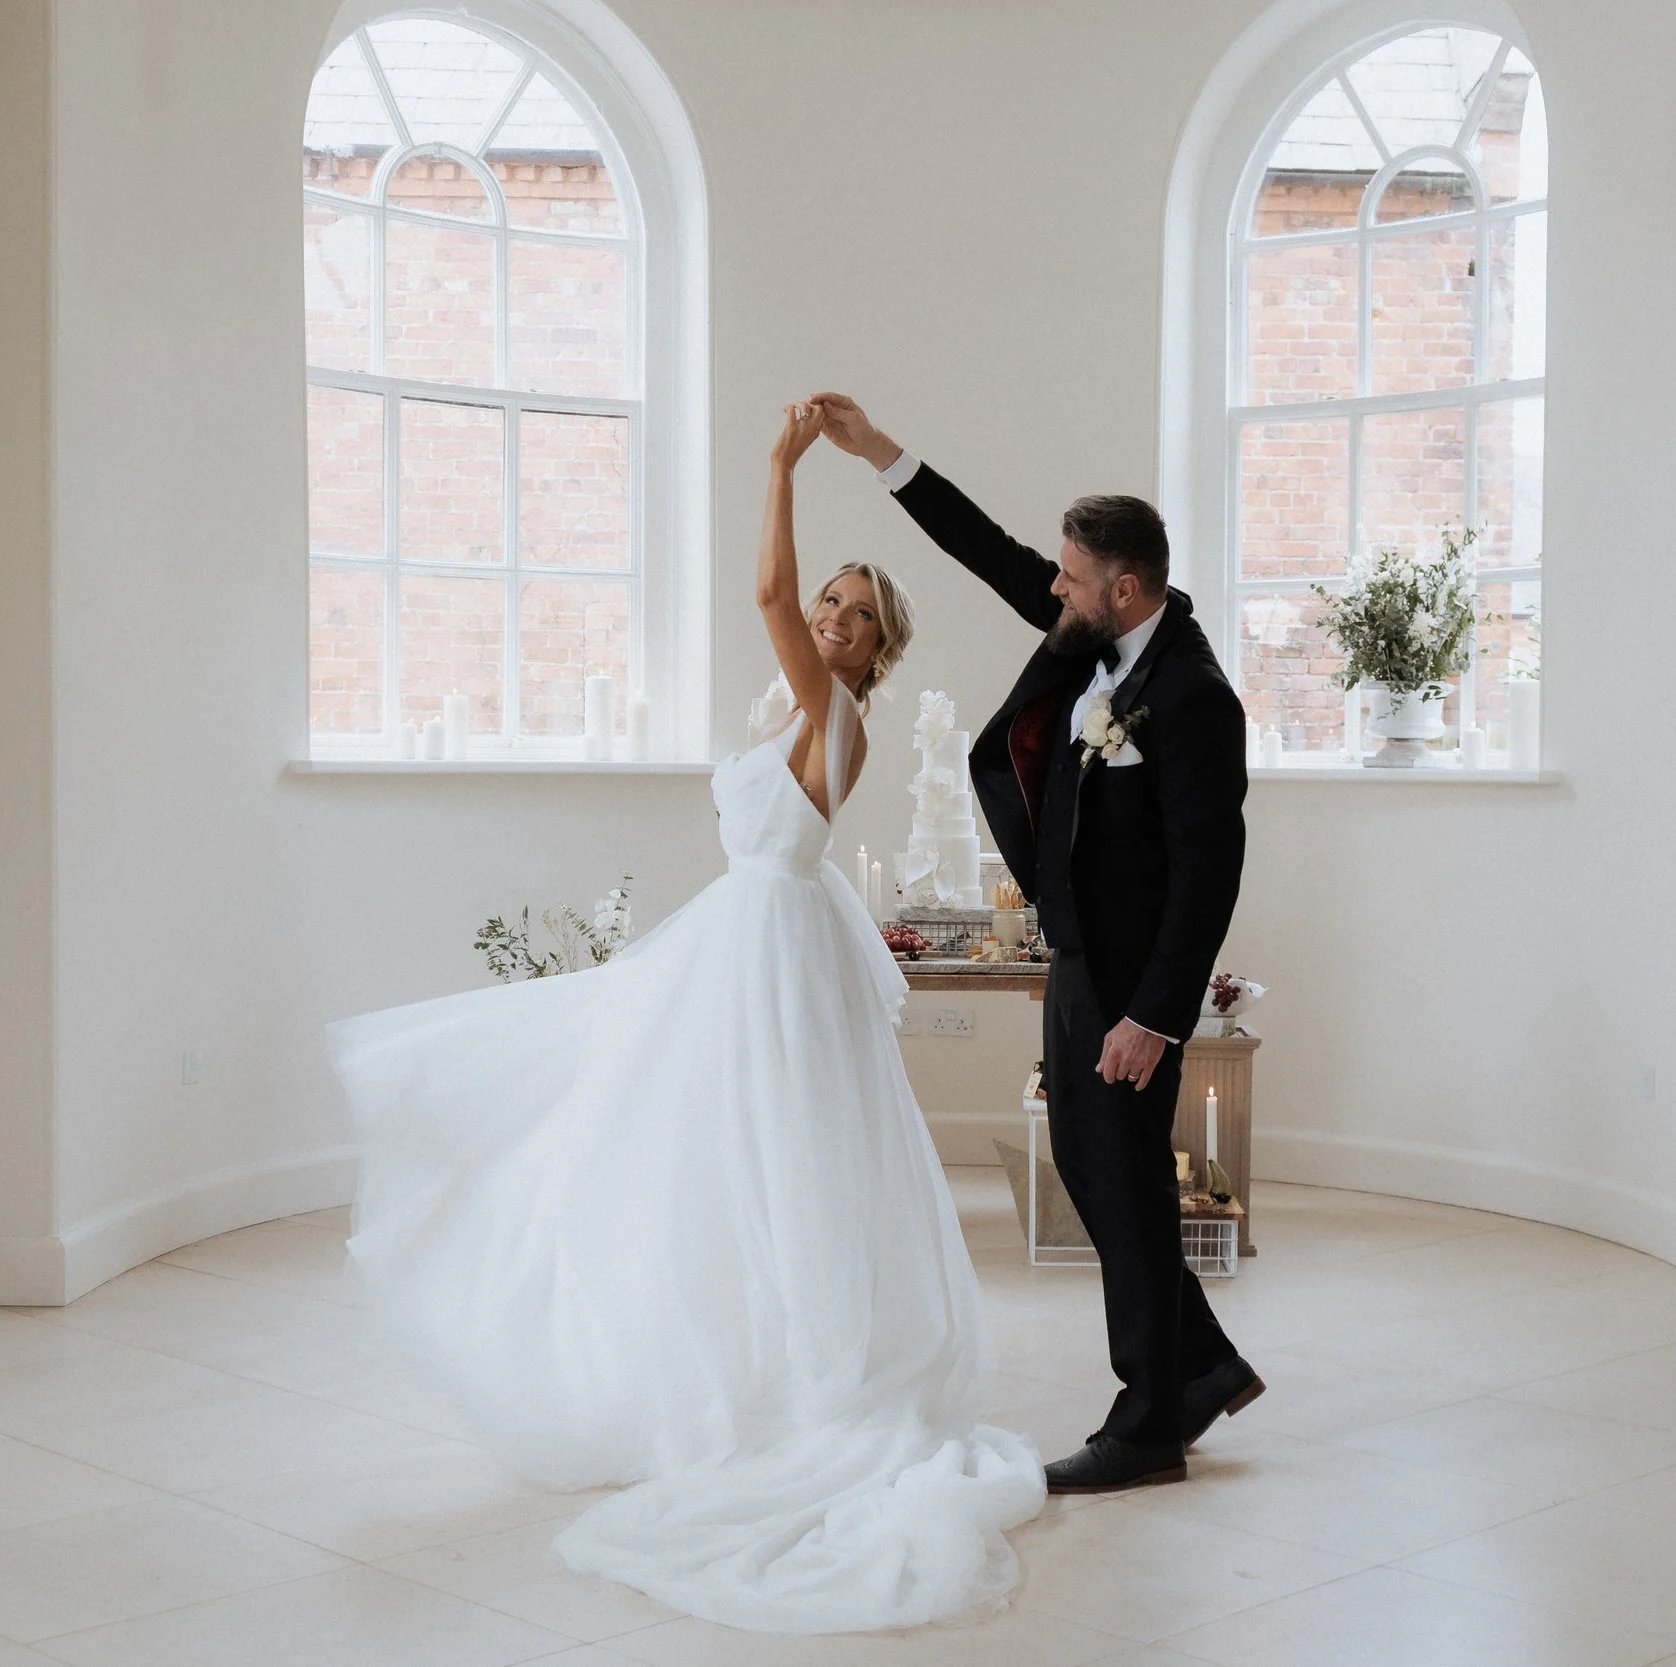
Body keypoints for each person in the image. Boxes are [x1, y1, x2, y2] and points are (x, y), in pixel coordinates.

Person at [326, 401, 1044, 1634]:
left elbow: (762, 595)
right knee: (679, 1153)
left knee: (779, 1161)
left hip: (772, 952)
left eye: (856, 612)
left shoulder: (837, 716)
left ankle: (803, 1382)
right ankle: (715, 1356)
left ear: (877, 651)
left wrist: (779, 465)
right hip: (743, 938)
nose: (827, 614)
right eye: (830, 598)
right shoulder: (786, 715)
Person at [808, 391, 1263, 1495]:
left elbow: (1209, 872)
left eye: (1071, 576)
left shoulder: (1195, 697)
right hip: (1072, 958)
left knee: (1121, 1187)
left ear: (1124, 586)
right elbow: (989, 550)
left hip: (1125, 987)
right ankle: (1198, 1365)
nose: (1051, 587)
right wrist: (881, 456)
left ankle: (1150, 1417)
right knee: (1104, 1181)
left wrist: (1153, 1017)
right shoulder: (1088, 635)